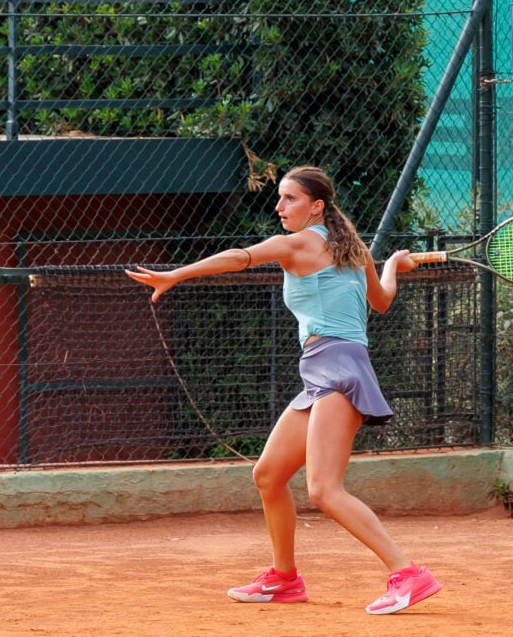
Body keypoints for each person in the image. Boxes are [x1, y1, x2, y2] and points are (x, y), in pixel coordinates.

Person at [125, 165, 442, 615]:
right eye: (279, 198)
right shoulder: (356, 252)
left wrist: (176, 274)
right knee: (269, 474)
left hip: (336, 368)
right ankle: (284, 579)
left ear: (316, 206)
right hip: (322, 370)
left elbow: (238, 256)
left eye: (289, 198)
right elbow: (383, 300)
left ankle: (407, 572)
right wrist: (392, 264)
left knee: (324, 490)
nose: (279, 207)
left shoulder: (300, 243)